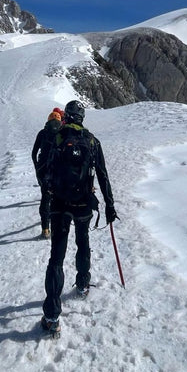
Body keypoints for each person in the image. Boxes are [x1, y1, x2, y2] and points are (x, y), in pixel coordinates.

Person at [41, 99, 118, 335]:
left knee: (57, 256)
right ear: (82, 118)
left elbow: (44, 170)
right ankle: (83, 283)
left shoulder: (56, 138)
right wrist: (109, 205)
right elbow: (103, 175)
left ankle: (52, 316)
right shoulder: (92, 141)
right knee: (83, 241)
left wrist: (50, 192)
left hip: (59, 205)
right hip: (84, 203)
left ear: (66, 117)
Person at [31, 107, 65, 238]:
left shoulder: (42, 133)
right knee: (59, 197)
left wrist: (37, 168)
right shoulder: (63, 131)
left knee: (45, 197)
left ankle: (45, 229)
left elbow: (34, 153)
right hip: (58, 169)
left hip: (43, 169)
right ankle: (60, 224)